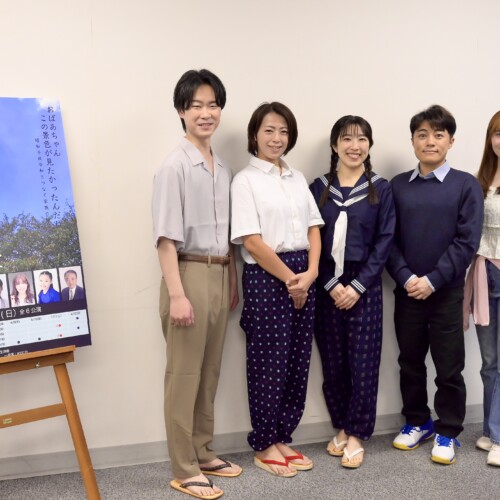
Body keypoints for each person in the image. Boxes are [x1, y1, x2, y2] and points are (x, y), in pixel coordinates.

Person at [152, 69, 241, 500]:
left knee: (209, 372)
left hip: (220, 272)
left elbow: (228, 235)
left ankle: (203, 451)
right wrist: (177, 294)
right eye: (196, 106)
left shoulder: (222, 167)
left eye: (213, 105)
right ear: (181, 111)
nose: (206, 113)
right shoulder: (174, 167)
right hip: (186, 275)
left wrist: (232, 278)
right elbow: (165, 239)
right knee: (183, 375)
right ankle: (183, 467)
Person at [387, 104, 484, 465]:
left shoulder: (465, 185)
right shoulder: (398, 186)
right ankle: (418, 422)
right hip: (407, 291)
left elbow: (466, 241)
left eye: (438, 135)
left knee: (449, 367)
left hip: (446, 293)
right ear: (413, 141)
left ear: (450, 141)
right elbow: (388, 240)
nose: (430, 141)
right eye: (422, 135)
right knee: (409, 362)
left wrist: (433, 279)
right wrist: (407, 278)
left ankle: (448, 431)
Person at [231, 102, 323, 477]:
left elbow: (314, 227)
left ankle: (283, 436)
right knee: (268, 361)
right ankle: (265, 442)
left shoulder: (297, 178)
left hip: (305, 273)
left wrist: (311, 273)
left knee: (297, 360)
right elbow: (252, 242)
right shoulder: (245, 181)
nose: (276, 138)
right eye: (269, 130)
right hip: (268, 276)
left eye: (283, 131)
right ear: (255, 135)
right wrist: (291, 280)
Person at [309, 116, 395, 468]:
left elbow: (385, 241)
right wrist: (330, 284)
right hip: (327, 284)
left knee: (363, 363)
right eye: (346, 139)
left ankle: (357, 433)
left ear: (369, 146)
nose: (354, 146)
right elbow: (310, 239)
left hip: (365, 285)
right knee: (333, 363)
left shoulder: (381, 188)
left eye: (361, 139)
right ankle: (342, 425)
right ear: (335, 145)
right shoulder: (318, 188)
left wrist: (357, 287)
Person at [463, 110, 500, 466]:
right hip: (483, 274)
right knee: (489, 362)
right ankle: (490, 429)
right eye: (498, 133)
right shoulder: (480, 181)